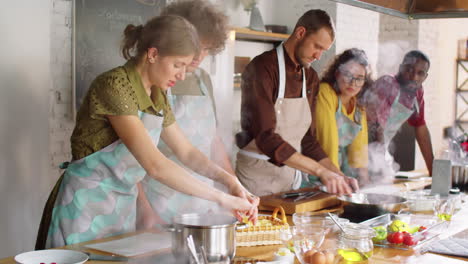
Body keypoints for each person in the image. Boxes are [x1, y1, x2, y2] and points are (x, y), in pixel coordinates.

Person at [40, 15, 256, 248]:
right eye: (178, 65)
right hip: (84, 205)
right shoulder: (114, 86)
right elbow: (156, 166)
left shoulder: (157, 94)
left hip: (123, 206)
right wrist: (223, 199)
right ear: (152, 54)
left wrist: (229, 180)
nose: (182, 75)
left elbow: (187, 152)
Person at [140, 0, 258, 225]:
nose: (200, 55)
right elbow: (136, 157)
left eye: (206, 48)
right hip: (159, 200)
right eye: (196, 46)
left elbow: (208, 142)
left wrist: (233, 184)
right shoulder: (153, 82)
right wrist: (145, 209)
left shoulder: (203, 80)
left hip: (203, 196)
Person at [235, 9, 358, 196]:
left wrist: (337, 175)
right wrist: (319, 171)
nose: (318, 56)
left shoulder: (310, 78)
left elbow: (307, 140)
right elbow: (265, 137)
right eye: (317, 46)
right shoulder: (262, 69)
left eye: (323, 51)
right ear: (301, 33)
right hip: (255, 180)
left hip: (289, 180)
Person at [364, 50, 434, 177]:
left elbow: (421, 128)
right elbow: (377, 128)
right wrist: (379, 167)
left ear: (425, 76)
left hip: (380, 149)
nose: (414, 77)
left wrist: (433, 172)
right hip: (362, 148)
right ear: (401, 68)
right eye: (410, 70)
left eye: (420, 73)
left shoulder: (417, 92)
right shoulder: (387, 84)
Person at [311, 48, 372, 186]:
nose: (353, 83)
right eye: (348, 75)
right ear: (337, 73)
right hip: (315, 170)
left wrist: (365, 182)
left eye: (359, 78)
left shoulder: (358, 105)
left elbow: (359, 151)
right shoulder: (325, 93)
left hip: (336, 173)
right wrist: (338, 178)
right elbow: (328, 141)